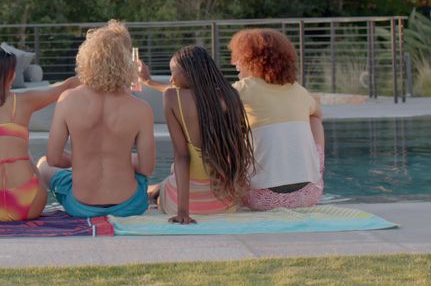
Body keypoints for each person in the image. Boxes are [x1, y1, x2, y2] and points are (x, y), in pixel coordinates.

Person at [37, 21, 155, 218]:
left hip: (81, 206)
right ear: (127, 63)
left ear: (87, 59)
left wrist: (86, 159)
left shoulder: (68, 100)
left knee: (42, 164)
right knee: (140, 177)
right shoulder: (141, 109)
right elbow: (147, 167)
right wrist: (117, 158)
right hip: (129, 205)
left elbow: (54, 159)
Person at [0, 46, 80, 222]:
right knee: (32, 157)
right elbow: (67, 86)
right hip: (30, 202)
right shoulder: (23, 101)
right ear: (10, 75)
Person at [137, 46, 255, 223]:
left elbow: (182, 157)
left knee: (168, 178)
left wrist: (183, 212)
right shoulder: (231, 95)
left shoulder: (171, 97)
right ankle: (160, 188)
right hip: (225, 203)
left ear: (188, 73)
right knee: (169, 179)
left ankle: (159, 190)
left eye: (173, 73)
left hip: (187, 204)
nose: (171, 79)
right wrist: (149, 82)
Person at [229, 28, 326, 210]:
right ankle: (313, 173)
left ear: (251, 60)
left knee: (229, 127)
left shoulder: (241, 89)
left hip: (261, 197)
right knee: (314, 121)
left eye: (237, 57)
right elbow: (318, 115)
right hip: (308, 195)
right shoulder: (297, 90)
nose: (234, 63)